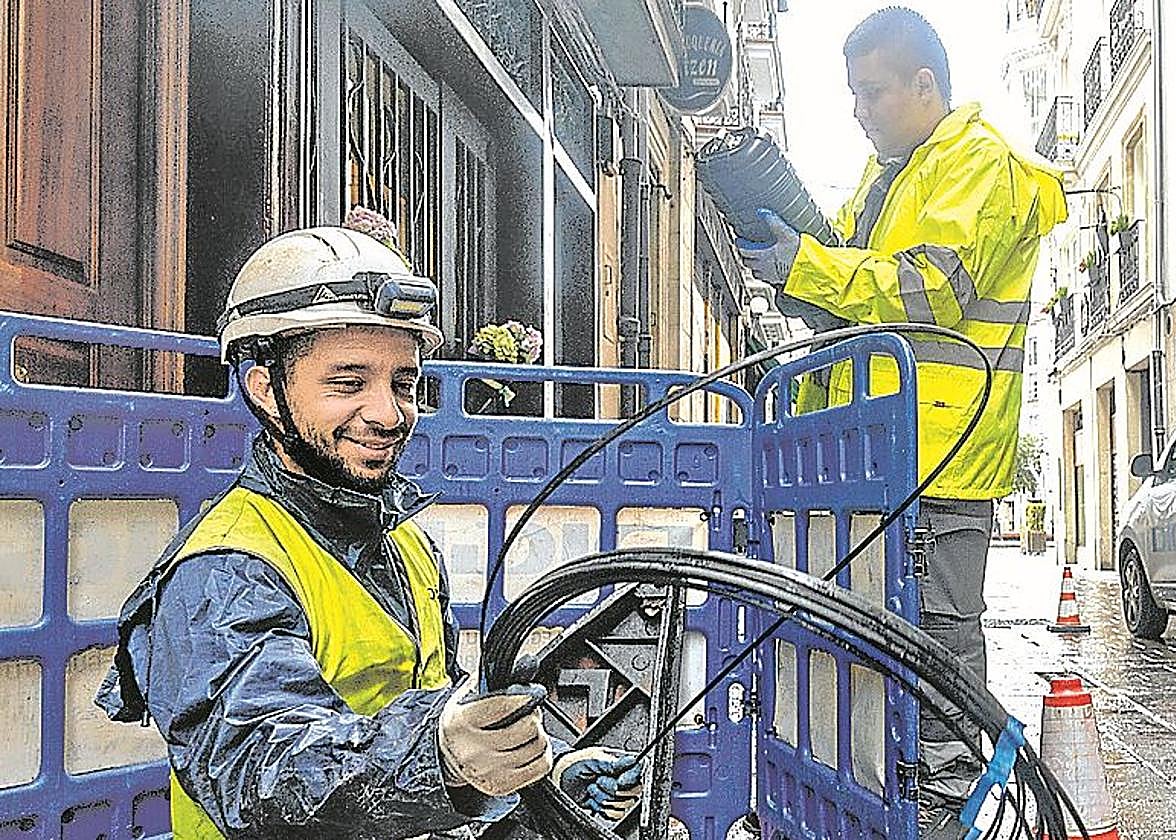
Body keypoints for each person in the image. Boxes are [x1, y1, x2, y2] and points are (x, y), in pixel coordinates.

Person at [96, 226, 640, 838]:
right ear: (266, 392)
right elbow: (261, 775)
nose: (388, 413)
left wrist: (530, 780)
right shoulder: (226, 570)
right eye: (348, 382)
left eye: (402, 384)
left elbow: (434, 707)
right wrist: (444, 760)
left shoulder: (402, 539)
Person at [736, 8, 1067, 838]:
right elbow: (849, 289)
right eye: (851, 94)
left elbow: (929, 289)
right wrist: (792, 260)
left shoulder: (977, 163)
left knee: (940, 654)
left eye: (873, 92)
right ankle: (896, 807)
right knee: (878, 655)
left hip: (939, 457)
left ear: (926, 85)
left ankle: (951, 812)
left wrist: (811, 264)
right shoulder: (892, 177)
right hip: (874, 453)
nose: (859, 110)